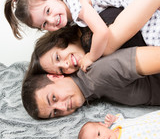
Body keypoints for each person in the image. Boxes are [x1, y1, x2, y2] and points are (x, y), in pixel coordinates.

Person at [4, 0, 160, 71]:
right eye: (44, 24)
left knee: (152, 32)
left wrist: (91, 56)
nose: (52, 20)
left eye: (48, 11)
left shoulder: (76, 5)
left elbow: (102, 32)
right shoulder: (72, 11)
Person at [22, 45, 160, 120]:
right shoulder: (91, 90)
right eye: (56, 112)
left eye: (53, 98)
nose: (63, 108)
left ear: (55, 77)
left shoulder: (98, 73)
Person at [31, 7, 146, 75]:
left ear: (59, 40)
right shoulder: (92, 63)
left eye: (57, 58)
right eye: (61, 70)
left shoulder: (89, 25)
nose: (65, 65)